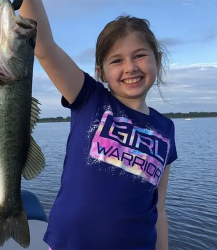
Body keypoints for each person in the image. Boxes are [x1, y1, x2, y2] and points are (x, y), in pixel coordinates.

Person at [19, 1, 178, 250]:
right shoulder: (90, 99)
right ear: (101, 72)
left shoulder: (166, 129)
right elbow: (44, 47)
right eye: (116, 60)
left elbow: (158, 208)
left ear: (156, 60)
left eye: (139, 55)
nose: (130, 67)